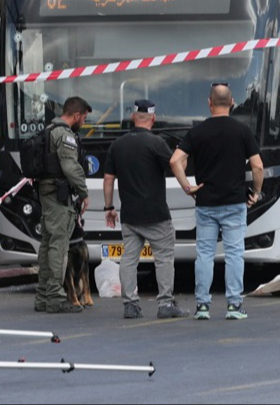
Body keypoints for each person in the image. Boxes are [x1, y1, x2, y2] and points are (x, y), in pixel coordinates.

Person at [171, 84, 263, 321]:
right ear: (232, 102)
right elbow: (258, 166)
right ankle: (234, 305)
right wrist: (256, 191)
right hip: (234, 202)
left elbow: (175, 161)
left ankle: (202, 306)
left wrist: (187, 187)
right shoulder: (242, 131)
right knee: (234, 254)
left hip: (205, 203)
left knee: (204, 254)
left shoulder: (197, 132)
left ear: (209, 103)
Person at [104, 100, 188, 320]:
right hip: (156, 214)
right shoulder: (157, 144)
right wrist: (183, 158)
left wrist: (109, 207)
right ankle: (165, 303)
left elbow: (108, 179)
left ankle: (130, 305)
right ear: (153, 118)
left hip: (129, 214)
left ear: (133, 117)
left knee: (129, 258)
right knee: (163, 257)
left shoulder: (117, 145)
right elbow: (174, 165)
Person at [34, 97, 92, 314]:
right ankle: (56, 298)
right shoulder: (65, 135)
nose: (84, 123)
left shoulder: (49, 129)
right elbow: (70, 166)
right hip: (58, 199)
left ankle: (43, 296)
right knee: (59, 246)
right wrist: (84, 192)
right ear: (76, 115)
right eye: (84, 118)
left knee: (47, 245)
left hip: (46, 195)